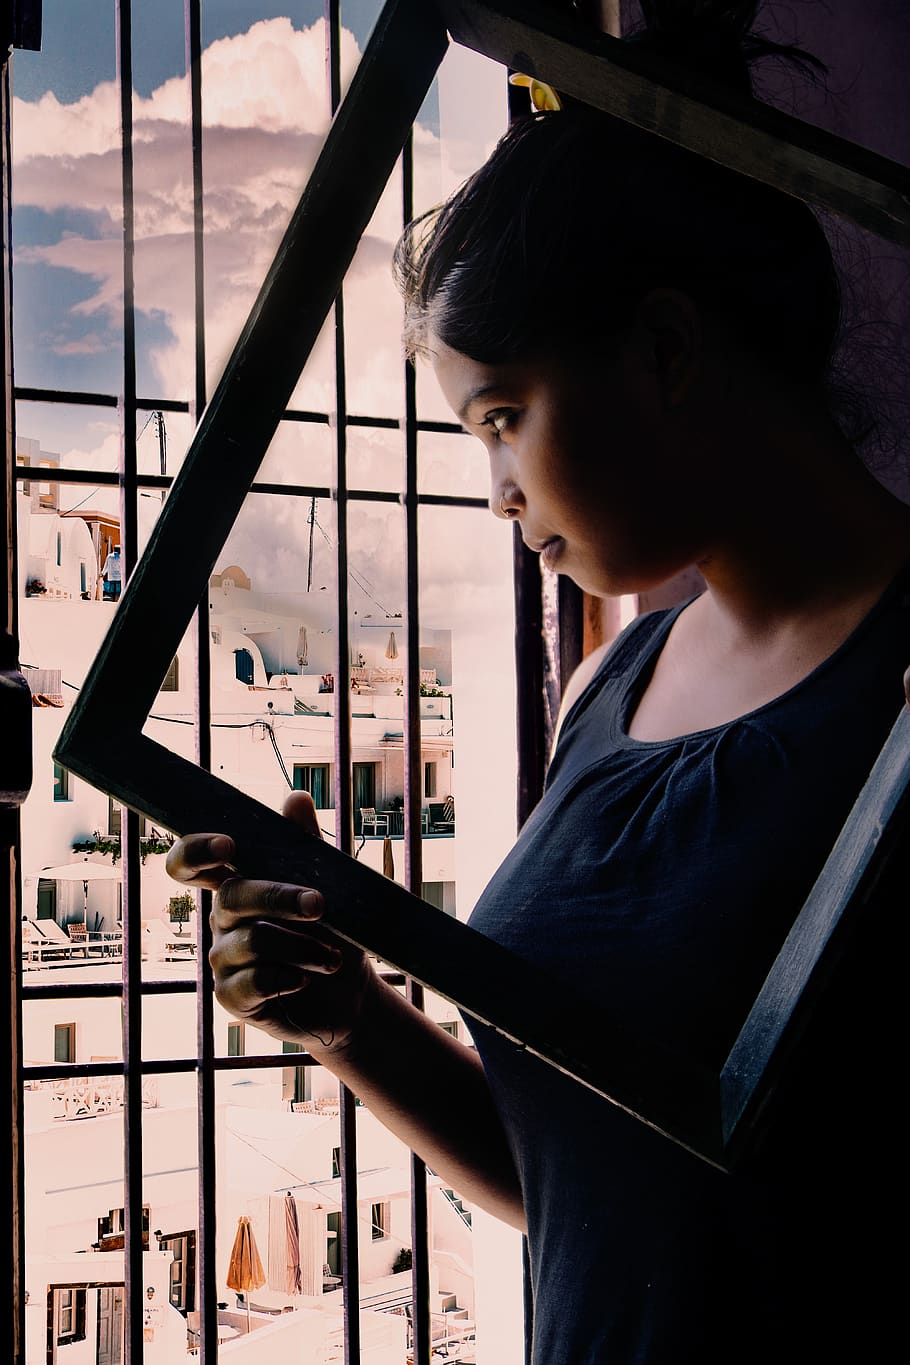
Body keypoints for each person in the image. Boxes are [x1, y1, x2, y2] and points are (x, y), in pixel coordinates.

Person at [167, 4, 910, 1360]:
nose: (498, 489)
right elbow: (594, 1184)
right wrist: (346, 1016)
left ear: (665, 354)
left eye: (501, 416)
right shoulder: (609, 689)